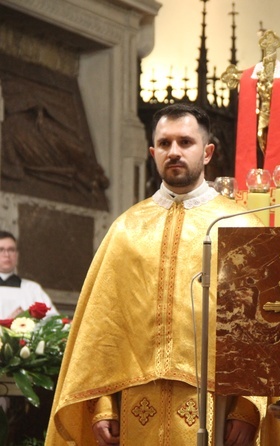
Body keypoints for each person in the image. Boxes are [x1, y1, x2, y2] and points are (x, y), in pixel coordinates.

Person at [46, 104, 264, 446]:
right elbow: (104, 327)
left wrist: (249, 409)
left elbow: (258, 326)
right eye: (164, 144)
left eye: (185, 142)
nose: (174, 152)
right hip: (135, 403)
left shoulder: (239, 226)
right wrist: (102, 406)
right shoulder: (127, 228)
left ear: (207, 152)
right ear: (152, 152)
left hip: (216, 403)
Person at [0, 230, 57, 319]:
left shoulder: (32, 289)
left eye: (11, 250)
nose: (6, 254)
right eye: (1, 250)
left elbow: (53, 321)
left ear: (17, 255)